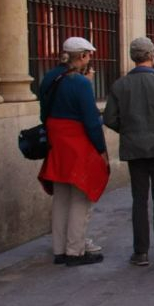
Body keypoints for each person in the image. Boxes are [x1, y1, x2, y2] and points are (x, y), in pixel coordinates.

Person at [103, 37, 154, 267]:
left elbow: (109, 118)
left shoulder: (120, 85)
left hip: (135, 148)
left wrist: (128, 130)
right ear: (152, 55)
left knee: (139, 199)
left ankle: (140, 252)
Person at [37, 37, 110, 267]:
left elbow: (43, 112)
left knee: (61, 196)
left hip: (56, 143)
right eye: (89, 55)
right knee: (80, 197)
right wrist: (101, 150)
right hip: (77, 144)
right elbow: (91, 120)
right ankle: (75, 250)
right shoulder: (80, 83)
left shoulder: (49, 77)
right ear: (82, 56)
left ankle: (59, 249)